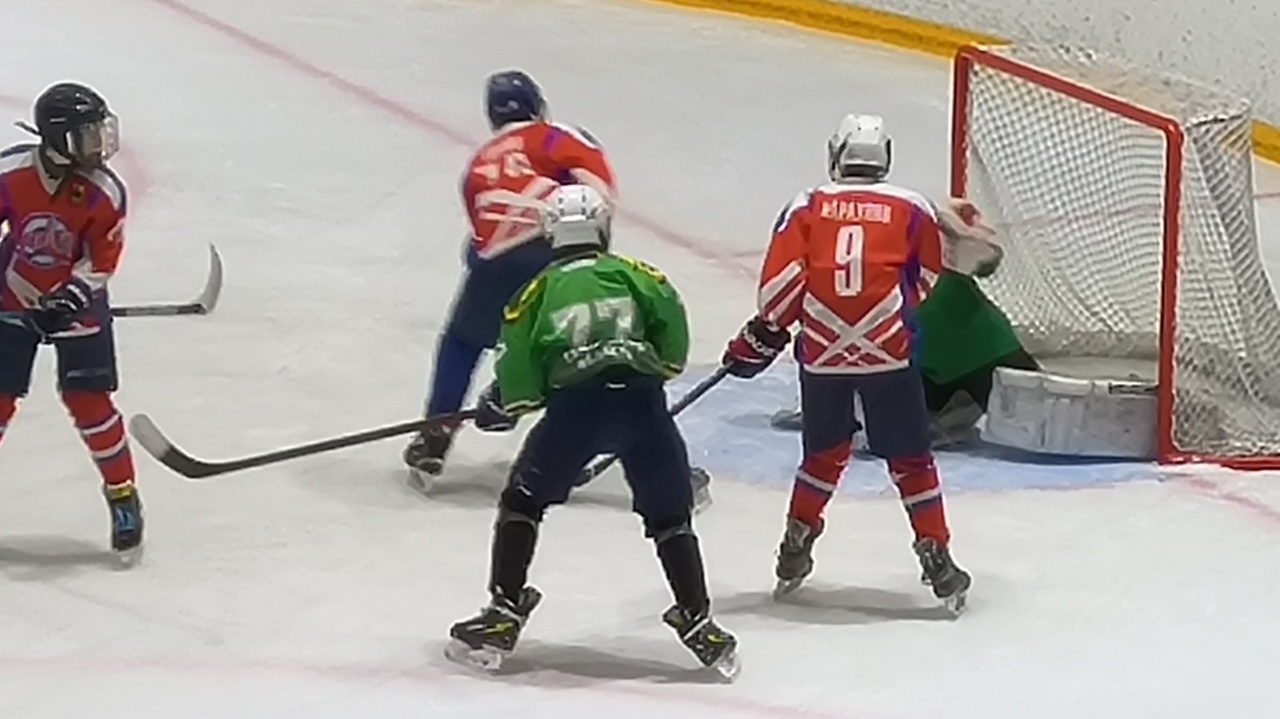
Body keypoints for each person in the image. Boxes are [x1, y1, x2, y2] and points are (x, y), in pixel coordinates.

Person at [444, 184, 738, 678]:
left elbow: (519, 372)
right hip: (643, 410)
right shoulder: (639, 275)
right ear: (602, 228)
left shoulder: (535, 292)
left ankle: (504, 611)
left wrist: (503, 404)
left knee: (522, 503)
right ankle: (698, 621)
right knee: (671, 519)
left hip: (574, 415)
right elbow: (672, 343)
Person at [721, 114, 978, 613]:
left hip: (822, 356)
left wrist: (774, 327)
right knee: (910, 460)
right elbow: (926, 276)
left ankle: (796, 542)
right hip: (889, 354)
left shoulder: (807, 204)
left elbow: (778, 291)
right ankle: (936, 553)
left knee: (824, 455)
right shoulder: (912, 206)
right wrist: (887, 317)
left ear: (836, 154)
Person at [403, 70, 617, 490]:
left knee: (463, 341)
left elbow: (479, 239)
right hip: (558, 249)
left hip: (497, 262)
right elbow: (599, 197)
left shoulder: (480, 162)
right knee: (576, 346)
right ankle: (552, 438)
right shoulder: (558, 136)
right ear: (538, 105)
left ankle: (436, 432)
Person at [0, 82, 142, 564]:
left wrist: (72, 296)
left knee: (90, 402)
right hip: (12, 294)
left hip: (76, 303)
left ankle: (122, 495)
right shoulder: (10, 173)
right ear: (58, 138)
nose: (99, 144)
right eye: (87, 134)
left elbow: (101, 260)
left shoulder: (106, 191)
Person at [771, 266, 1039, 449]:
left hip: (982, 358)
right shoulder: (916, 247)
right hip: (982, 358)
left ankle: (837, 411)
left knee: (826, 343)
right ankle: (942, 412)